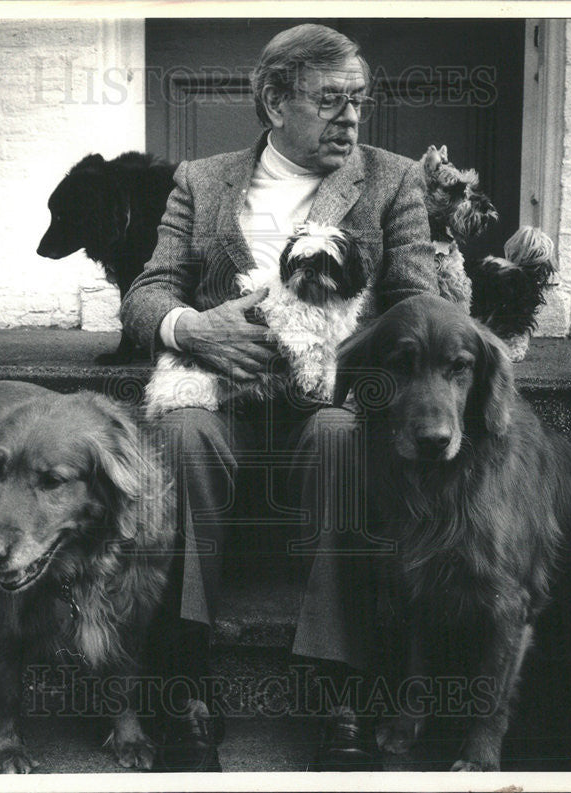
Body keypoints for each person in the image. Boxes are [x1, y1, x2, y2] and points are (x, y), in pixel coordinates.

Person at [121, 23, 456, 772]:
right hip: (221, 390)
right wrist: (190, 327)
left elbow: (418, 305)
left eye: (359, 102)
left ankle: (338, 686)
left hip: (333, 397)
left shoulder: (393, 178)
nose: (351, 119)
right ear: (274, 100)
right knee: (181, 433)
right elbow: (148, 294)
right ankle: (183, 679)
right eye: (331, 100)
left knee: (340, 434)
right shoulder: (201, 180)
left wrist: (348, 354)